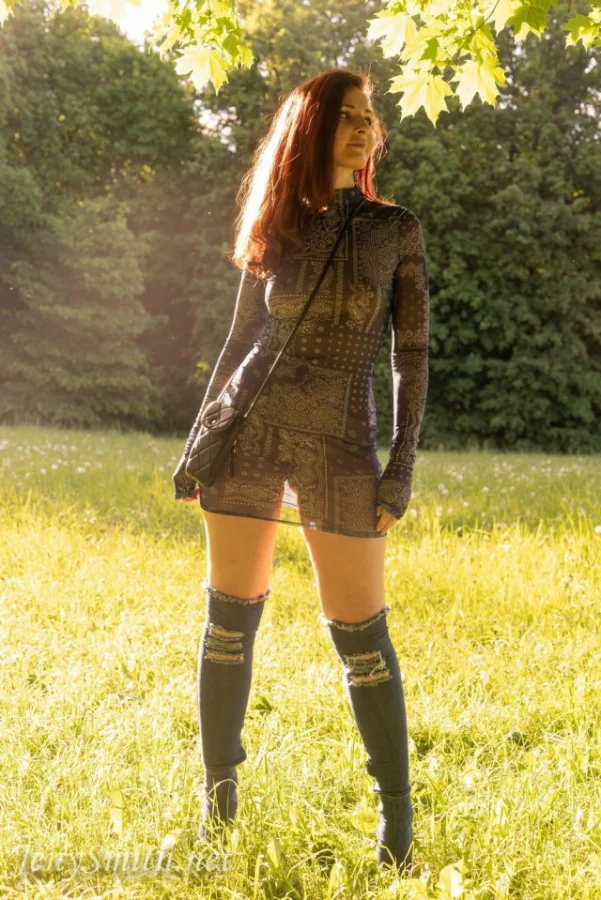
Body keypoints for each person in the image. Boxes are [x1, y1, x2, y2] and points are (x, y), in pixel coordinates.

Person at [172, 67, 430, 875]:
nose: (363, 128)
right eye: (346, 116)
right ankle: (218, 809)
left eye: (368, 116)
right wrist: (198, 443)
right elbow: (237, 344)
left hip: (342, 446)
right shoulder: (277, 226)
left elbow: (411, 357)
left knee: (362, 637)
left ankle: (396, 828)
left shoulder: (394, 229)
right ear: (312, 129)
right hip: (246, 436)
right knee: (227, 626)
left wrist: (400, 468)